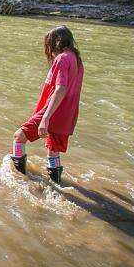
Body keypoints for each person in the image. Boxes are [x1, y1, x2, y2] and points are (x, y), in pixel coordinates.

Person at [10, 26, 84, 184]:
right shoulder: (76, 59)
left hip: (54, 112)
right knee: (53, 151)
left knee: (18, 137)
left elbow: (60, 89)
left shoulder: (62, 58)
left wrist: (45, 118)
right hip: (68, 114)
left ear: (54, 43)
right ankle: (57, 187)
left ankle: (19, 179)